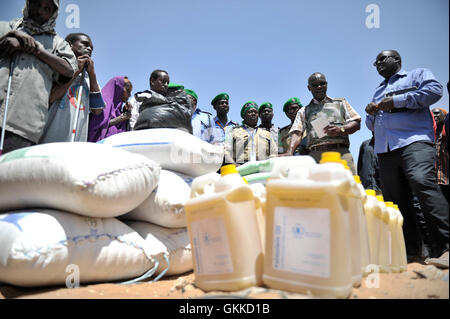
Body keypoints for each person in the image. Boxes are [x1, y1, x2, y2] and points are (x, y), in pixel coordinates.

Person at [365, 49, 448, 266]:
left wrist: (397, 101)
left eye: (383, 58)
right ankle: (413, 252)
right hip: (386, 150)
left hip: (415, 142)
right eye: (376, 62)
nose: (379, 63)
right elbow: (371, 125)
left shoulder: (417, 75)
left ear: (397, 60)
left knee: (423, 184)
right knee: (396, 200)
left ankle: (446, 246)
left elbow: (434, 91)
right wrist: (371, 113)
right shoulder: (377, 91)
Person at [0, 0, 77, 153]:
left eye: (47, 8)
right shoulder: (5, 27)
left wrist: (37, 50)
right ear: (29, 4)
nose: (40, 11)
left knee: (10, 174)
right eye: (37, 4)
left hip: (23, 126)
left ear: (53, 13)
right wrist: (9, 37)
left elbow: (69, 70)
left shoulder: (59, 43)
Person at [281, 72, 361, 175]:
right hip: (316, 157)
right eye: (314, 85)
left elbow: (356, 122)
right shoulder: (304, 111)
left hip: (341, 153)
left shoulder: (341, 103)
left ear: (327, 84)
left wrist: (341, 129)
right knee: (318, 189)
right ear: (309, 88)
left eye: (322, 83)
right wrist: (290, 151)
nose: (319, 87)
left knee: (348, 188)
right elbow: (297, 132)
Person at [39, 32, 104, 143]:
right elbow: (51, 98)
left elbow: (97, 110)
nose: (89, 48)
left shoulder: (91, 80)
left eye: (91, 47)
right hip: (50, 137)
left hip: (76, 142)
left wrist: (92, 75)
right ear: (69, 45)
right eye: (84, 44)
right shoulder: (56, 68)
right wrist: (75, 71)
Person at [87, 76, 133, 143]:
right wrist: (121, 118)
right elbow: (97, 125)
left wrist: (125, 112)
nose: (129, 95)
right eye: (128, 91)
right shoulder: (103, 103)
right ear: (118, 88)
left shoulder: (118, 108)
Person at [432, 107, 449, 204]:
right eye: (433, 114)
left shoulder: (446, 133)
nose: (435, 116)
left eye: (437, 113)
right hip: (435, 180)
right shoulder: (431, 134)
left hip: (446, 178)